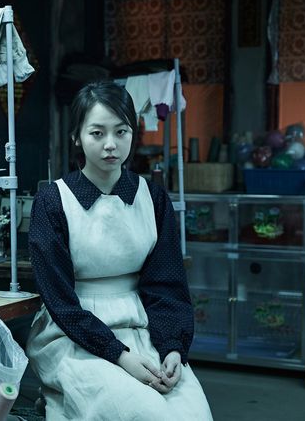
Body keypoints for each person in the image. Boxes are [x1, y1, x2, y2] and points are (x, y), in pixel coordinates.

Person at [25, 80, 213, 420]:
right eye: (97, 133)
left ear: (132, 134)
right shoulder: (53, 201)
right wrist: (120, 355)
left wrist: (173, 347)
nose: (110, 144)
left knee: (192, 414)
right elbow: (60, 300)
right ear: (77, 136)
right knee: (145, 412)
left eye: (121, 131)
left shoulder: (152, 197)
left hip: (143, 329)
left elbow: (167, 285)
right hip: (74, 334)